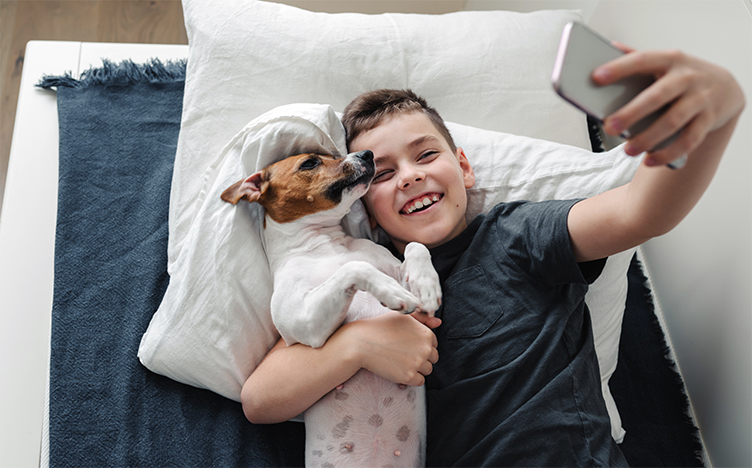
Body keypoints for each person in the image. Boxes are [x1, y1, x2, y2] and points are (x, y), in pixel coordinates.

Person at [241, 46, 744, 467]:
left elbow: (639, 212)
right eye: (386, 173)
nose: (411, 176)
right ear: (362, 204)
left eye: (426, 155)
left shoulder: (516, 233)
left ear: (465, 168)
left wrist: (717, 116)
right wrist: (359, 346)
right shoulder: (360, 286)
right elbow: (260, 399)